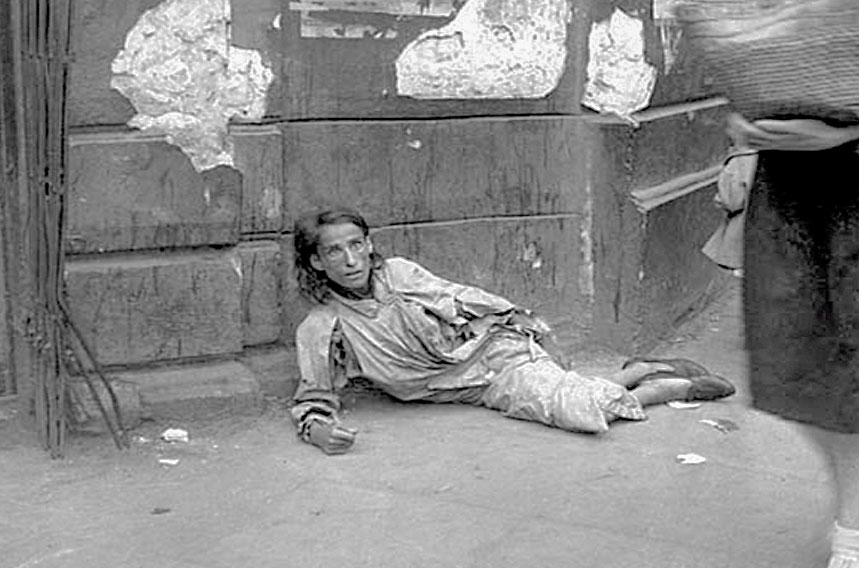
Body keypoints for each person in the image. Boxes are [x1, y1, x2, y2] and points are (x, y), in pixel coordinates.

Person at [289, 208, 736, 456]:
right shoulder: (323, 327)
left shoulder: (400, 274)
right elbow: (313, 398)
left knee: (570, 408)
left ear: (369, 244)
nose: (351, 260)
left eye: (356, 245)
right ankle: (638, 372)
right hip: (462, 388)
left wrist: (524, 321)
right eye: (335, 252)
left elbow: (464, 298)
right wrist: (318, 431)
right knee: (565, 400)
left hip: (492, 355)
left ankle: (666, 389)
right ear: (316, 262)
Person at [727, 114, 859, 568]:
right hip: (792, 186)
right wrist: (745, 133)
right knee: (793, 361)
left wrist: (847, 133)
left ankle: (852, 530)